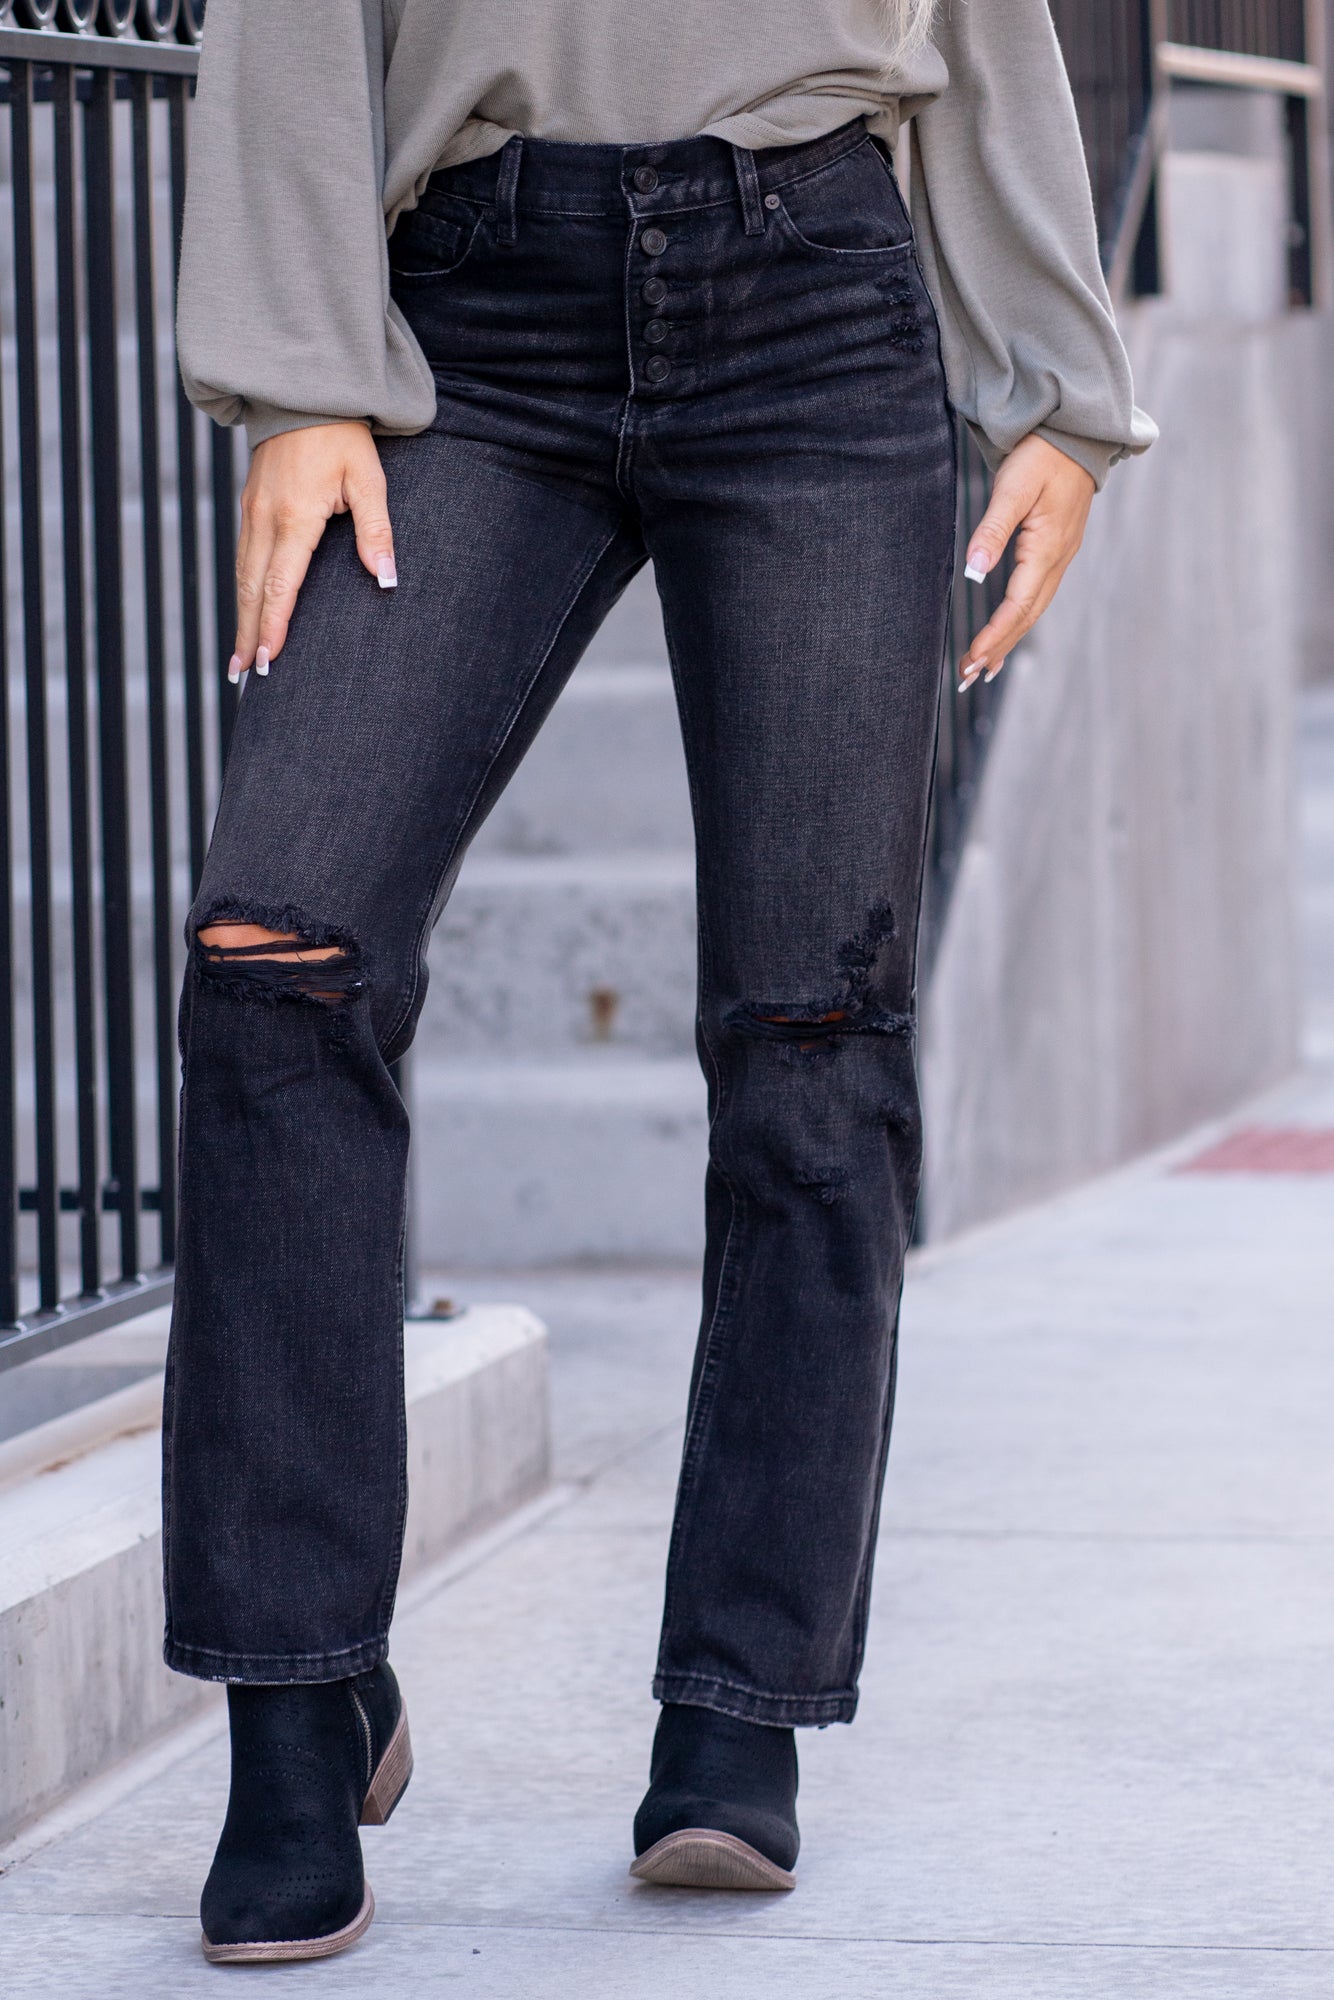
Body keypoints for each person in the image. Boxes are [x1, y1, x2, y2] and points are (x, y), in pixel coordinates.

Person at [170, 0, 1155, 1964]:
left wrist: (1054, 372)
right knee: (279, 951)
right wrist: (295, 372)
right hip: (464, 309)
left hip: (814, 294)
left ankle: (738, 1701)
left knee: (812, 1031)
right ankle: (296, 1701)